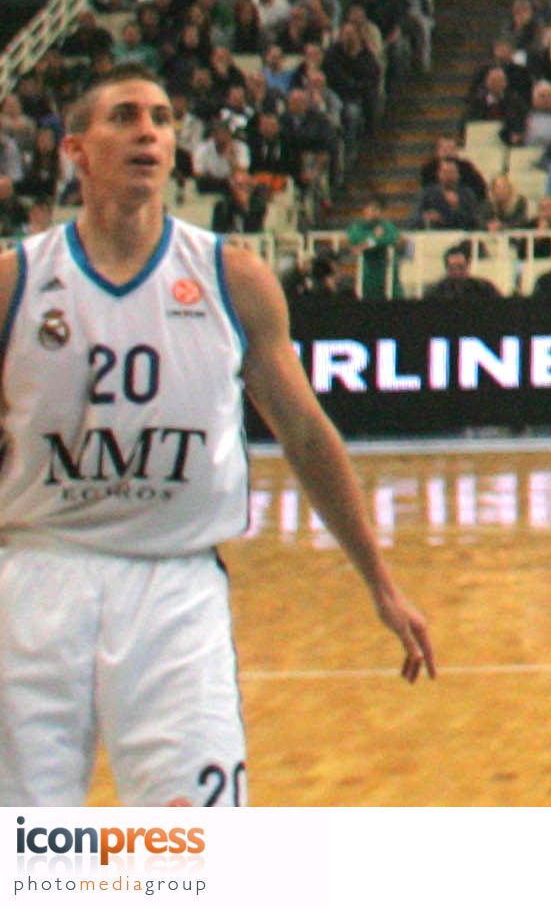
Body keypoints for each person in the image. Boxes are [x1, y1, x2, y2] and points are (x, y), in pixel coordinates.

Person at [1, 68, 436, 804]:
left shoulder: (231, 277)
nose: (148, 132)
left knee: (191, 848)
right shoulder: (15, 282)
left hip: (176, 585)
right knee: (28, 848)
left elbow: (305, 436)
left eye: (162, 119)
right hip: (38, 579)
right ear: (75, 150)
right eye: (125, 117)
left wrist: (381, 584)